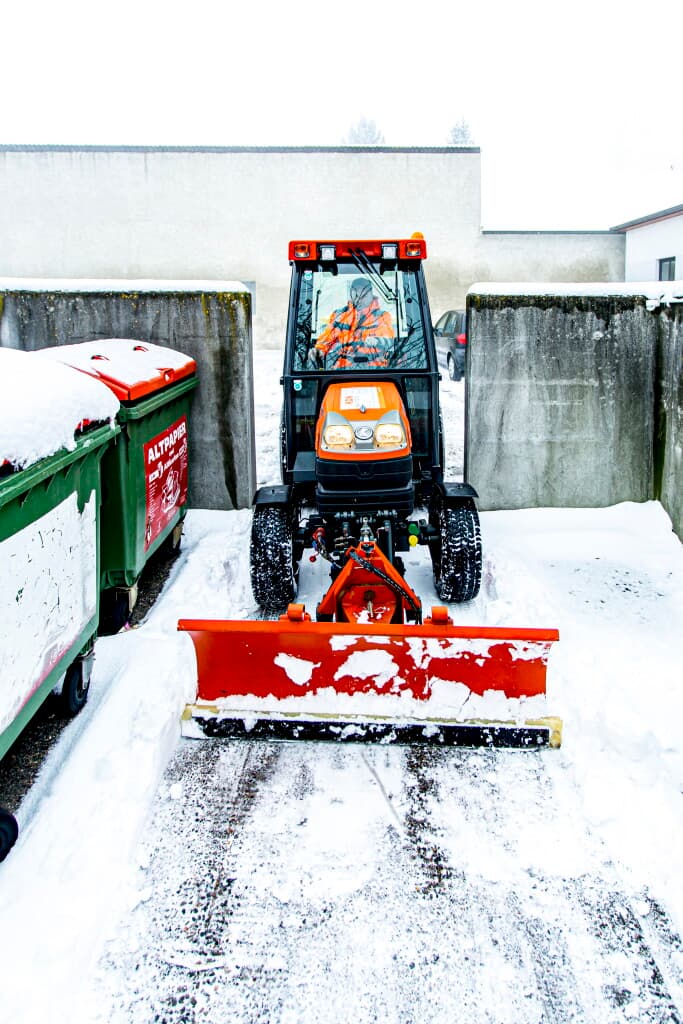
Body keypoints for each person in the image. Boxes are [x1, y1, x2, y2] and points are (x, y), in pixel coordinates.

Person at [310, 277, 394, 369]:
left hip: (375, 370)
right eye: (356, 294)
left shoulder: (382, 316)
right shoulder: (339, 316)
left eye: (364, 295)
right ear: (351, 294)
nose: (360, 299)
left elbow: (388, 339)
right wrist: (319, 349)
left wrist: (377, 340)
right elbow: (328, 337)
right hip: (343, 370)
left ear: (370, 295)